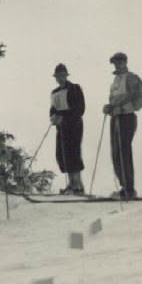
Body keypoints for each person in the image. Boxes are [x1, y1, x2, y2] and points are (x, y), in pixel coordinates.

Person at [101, 51, 142, 199]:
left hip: (126, 117)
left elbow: (138, 100)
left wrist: (122, 108)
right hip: (116, 117)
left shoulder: (131, 78)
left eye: (119, 62)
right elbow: (113, 99)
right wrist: (109, 107)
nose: (117, 65)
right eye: (115, 63)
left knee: (124, 151)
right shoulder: (115, 80)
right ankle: (124, 186)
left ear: (125, 62)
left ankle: (129, 189)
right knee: (116, 152)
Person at [49, 63, 86, 194]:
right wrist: (53, 117)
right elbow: (53, 109)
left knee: (73, 153)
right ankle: (71, 184)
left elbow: (80, 108)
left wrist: (64, 117)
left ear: (66, 75)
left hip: (74, 125)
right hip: (61, 127)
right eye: (57, 76)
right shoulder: (55, 92)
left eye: (62, 75)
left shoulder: (74, 88)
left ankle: (78, 185)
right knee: (62, 154)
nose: (60, 78)